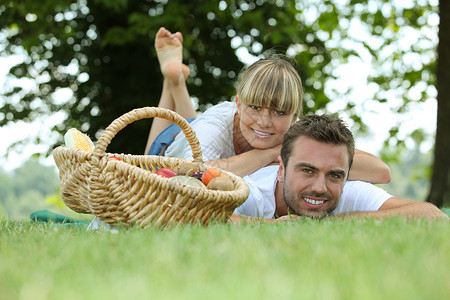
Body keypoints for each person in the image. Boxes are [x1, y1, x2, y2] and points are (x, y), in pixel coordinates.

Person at [145, 27, 391, 183]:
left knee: (198, 130)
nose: (264, 121)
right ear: (238, 105)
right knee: (145, 166)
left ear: (295, 117)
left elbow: (380, 172)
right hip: (169, 146)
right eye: (255, 108)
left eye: (280, 112)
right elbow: (193, 172)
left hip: (198, 132)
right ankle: (173, 84)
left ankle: (175, 82)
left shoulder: (295, 135)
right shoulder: (218, 124)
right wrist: (272, 152)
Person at [231, 114, 448, 222]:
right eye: (307, 170)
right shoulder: (251, 192)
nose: (319, 188)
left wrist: (328, 222)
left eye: (334, 175)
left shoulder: (348, 193)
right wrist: (278, 226)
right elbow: (213, 219)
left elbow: (432, 214)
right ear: (281, 170)